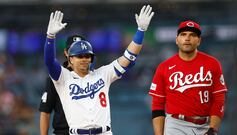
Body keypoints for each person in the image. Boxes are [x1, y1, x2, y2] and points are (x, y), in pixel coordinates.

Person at [44, 5, 154, 135]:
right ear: (70, 58)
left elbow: (128, 57)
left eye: (87, 55)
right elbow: (50, 61)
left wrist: (141, 31)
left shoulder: (103, 74)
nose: (84, 59)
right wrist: (50, 36)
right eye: (80, 56)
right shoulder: (63, 78)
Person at [149, 20, 227, 135]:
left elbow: (219, 99)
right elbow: (157, 104)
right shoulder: (164, 67)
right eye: (183, 34)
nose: (187, 38)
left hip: (206, 125)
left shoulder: (212, 64)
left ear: (199, 40)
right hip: (176, 125)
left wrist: (213, 129)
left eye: (192, 35)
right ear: (177, 40)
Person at [39, 35, 86, 135]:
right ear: (66, 52)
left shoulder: (92, 76)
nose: (77, 52)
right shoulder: (57, 76)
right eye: (73, 49)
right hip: (64, 132)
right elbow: (45, 112)